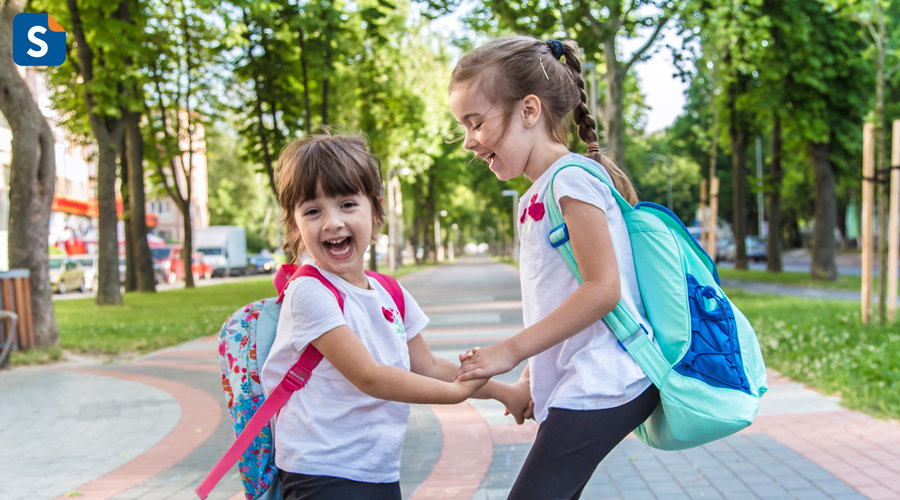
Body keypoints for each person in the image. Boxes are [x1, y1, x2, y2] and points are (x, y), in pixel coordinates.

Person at [450, 36, 661, 499]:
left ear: (529, 110)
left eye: (476, 123)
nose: (469, 141)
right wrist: (532, 377)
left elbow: (602, 290)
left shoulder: (571, 180)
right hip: (583, 379)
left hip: (607, 379)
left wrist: (511, 351)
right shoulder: (538, 194)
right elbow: (558, 297)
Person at [261, 132, 513, 500]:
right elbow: (371, 377)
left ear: (376, 210)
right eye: (313, 211)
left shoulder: (389, 292)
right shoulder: (309, 292)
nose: (331, 222)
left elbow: (425, 365)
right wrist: (454, 395)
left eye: (347, 204)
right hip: (320, 471)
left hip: (377, 468)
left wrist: (505, 393)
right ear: (294, 223)